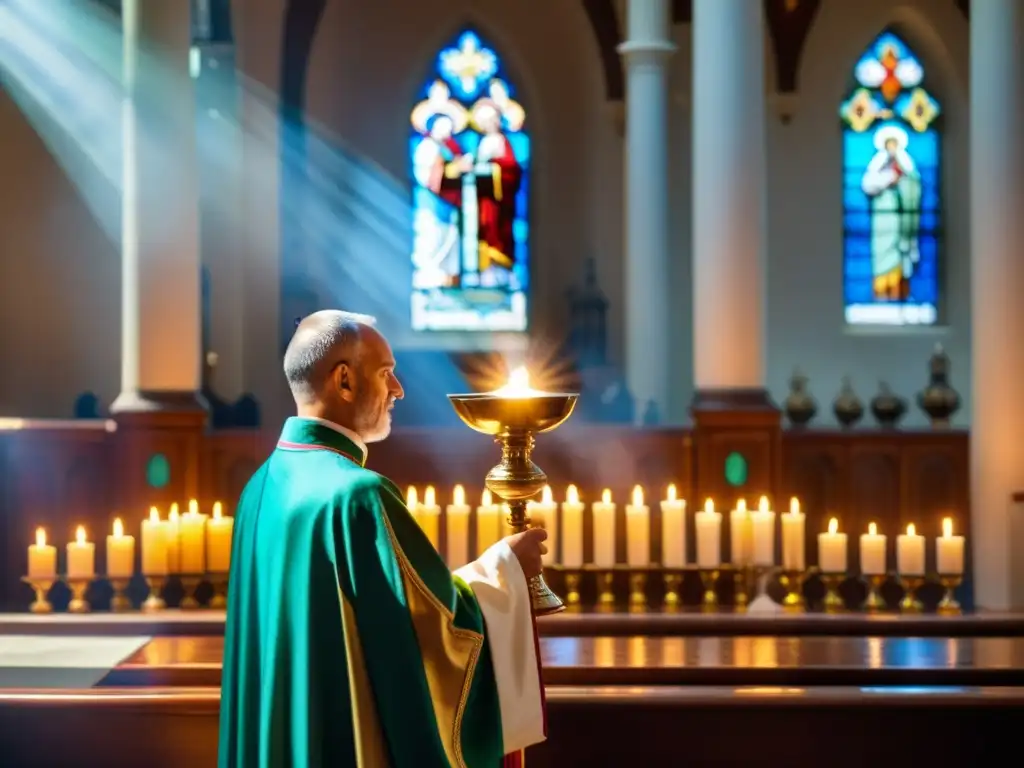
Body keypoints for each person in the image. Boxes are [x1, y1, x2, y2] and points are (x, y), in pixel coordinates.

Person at [219, 310, 548, 767]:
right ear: (345, 381)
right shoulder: (358, 496)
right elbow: (432, 628)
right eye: (387, 373)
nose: (399, 390)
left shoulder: (258, 487)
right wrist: (506, 570)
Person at [860, 124, 922, 301]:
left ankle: (900, 293)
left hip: (901, 223)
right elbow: (868, 184)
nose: (893, 149)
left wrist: (903, 181)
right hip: (883, 221)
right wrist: (887, 179)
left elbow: (914, 187)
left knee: (900, 255)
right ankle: (881, 295)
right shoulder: (878, 165)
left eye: (895, 145)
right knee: (883, 256)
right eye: (890, 145)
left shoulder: (906, 168)